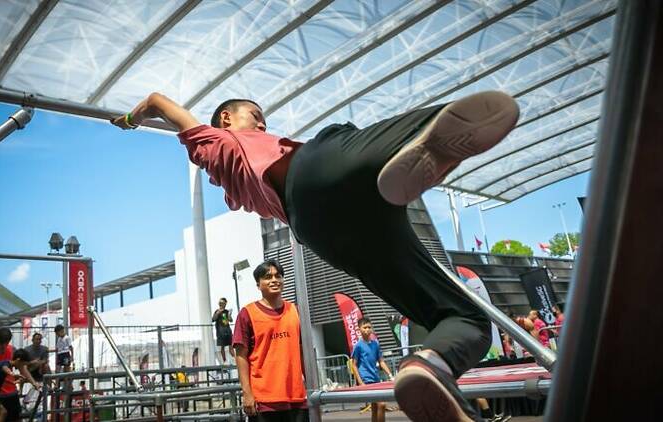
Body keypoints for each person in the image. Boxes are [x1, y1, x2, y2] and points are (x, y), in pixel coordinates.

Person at [112, 89, 519, 421]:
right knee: (341, 133)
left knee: (467, 319)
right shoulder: (211, 141)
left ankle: (429, 365)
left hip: (324, 231)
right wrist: (131, 119)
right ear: (225, 121)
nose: (263, 124)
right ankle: (409, 155)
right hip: (317, 170)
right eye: (254, 116)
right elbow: (156, 101)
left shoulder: (219, 166)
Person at [232, 260, 308, 421]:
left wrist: (311, 386)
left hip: (296, 399)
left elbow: (302, 350)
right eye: (268, 277)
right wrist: (247, 393)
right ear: (258, 285)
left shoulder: (295, 311)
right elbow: (240, 355)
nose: (274, 280)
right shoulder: (247, 314)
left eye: (278, 276)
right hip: (264, 401)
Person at [0, 328, 39, 422]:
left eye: (6, 343)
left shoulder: (13, 351)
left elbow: (22, 368)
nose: (4, 346)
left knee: (16, 418)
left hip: (11, 393)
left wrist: (34, 383)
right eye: (1, 343)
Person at [351, 317, 394, 422]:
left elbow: (381, 361)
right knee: (382, 405)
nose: (367, 329)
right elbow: (354, 365)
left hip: (376, 378)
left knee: (375, 408)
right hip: (366, 379)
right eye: (364, 327)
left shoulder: (376, 344)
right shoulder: (358, 346)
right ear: (359, 329)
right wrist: (360, 382)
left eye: (369, 327)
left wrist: (390, 375)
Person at [22, 332, 50, 412]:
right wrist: (33, 363)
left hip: (40, 369)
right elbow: (24, 363)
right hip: (29, 369)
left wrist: (38, 363)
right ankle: (21, 391)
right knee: (24, 368)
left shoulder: (44, 349)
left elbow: (45, 360)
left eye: (39, 339)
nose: (38, 341)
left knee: (46, 366)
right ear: (32, 340)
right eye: (36, 339)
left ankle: (50, 385)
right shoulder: (27, 349)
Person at [212, 297, 235, 364]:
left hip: (227, 330)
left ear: (225, 304)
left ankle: (234, 359)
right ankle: (225, 361)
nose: (221, 304)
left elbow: (230, 320)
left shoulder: (227, 311)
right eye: (220, 303)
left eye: (223, 303)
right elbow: (213, 319)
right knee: (222, 347)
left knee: (231, 346)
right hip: (220, 331)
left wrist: (229, 315)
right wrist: (218, 312)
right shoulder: (217, 311)